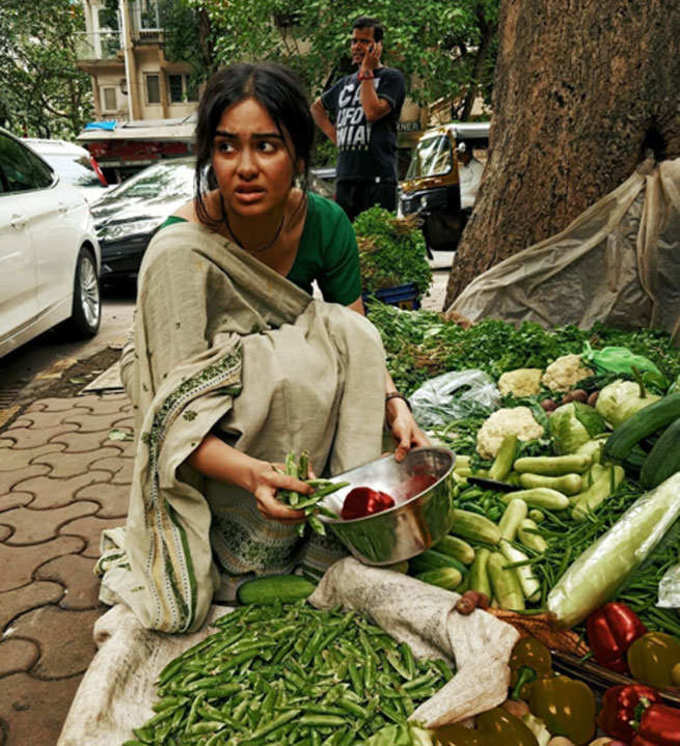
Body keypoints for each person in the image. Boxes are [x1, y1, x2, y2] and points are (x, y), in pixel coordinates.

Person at [95, 62, 428, 633]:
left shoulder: (325, 225)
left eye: (266, 146)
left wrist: (396, 405)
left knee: (332, 338)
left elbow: (355, 341)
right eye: (227, 147)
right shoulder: (180, 253)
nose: (245, 168)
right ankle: (239, 545)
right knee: (280, 366)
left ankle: (328, 520)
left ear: (298, 155)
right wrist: (251, 474)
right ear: (209, 157)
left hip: (283, 407)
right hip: (209, 417)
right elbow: (169, 419)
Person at [311, 16, 406, 221]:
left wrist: (366, 73)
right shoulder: (344, 83)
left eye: (364, 41)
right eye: (354, 41)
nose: (357, 46)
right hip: (345, 177)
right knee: (346, 242)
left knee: (376, 242)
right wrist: (336, 137)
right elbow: (317, 108)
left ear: (378, 46)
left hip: (377, 178)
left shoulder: (392, 78)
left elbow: (372, 112)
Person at [456, 141, 484, 211]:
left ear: (468, 154)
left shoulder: (477, 167)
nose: (459, 157)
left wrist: (460, 191)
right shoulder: (462, 168)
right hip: (463, 195)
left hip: (472, 197)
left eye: (462, 154)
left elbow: (476, 187)